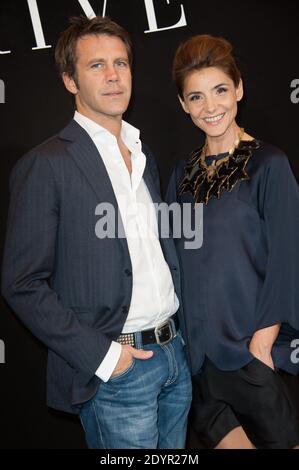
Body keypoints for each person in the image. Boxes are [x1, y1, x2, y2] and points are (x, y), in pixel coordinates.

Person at [1, 16, 192, 449]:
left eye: (121, 64)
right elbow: (22, 283)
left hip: (174, 356)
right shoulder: (47, 164)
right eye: (96, 66)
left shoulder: (145, 154)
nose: (113, 76)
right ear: (70, 80)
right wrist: (107, 359)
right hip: (119, 372)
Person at [167, 34, 299, 449]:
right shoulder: (180, 176)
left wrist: (262, 343)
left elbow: (288, 257)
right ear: (183, 105)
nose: (211, 107)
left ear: (239, 89)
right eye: (196, 97)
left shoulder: (269, 165)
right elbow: (172, 260)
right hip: (199, 363)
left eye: (220, 90)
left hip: (249, 354)